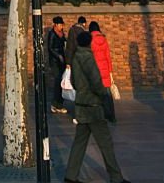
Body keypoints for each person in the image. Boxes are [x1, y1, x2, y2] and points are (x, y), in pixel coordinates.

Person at [64, 32, 130, 183]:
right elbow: (96, 81)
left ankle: (70, 175)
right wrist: (103, 94)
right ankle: (116, 177)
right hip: (93, 106)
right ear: (89, 42)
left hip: (81, 104)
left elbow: (73, 81)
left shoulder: (75, 58)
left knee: (79, 142)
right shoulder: (88, 57)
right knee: (105, 143)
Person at [89, 21, 116, 122]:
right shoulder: (104, 39)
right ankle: (111, 116)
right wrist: (110, 71)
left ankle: (99, 115)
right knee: (108, 95)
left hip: (95, 70)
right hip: (105, 70)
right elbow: (108, 57)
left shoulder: (90, 40)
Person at [46, 15, 67, 114]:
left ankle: (59, 103)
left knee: (61, 81)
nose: (61, 27)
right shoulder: (52, 34)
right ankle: (55, 104)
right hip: (55, 61)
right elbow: (50, 48)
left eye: (62, 25)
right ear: (55, 25)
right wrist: (58, 55)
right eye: (60, 25)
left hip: (62, 60)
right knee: (58, 81)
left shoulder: (62, 34)